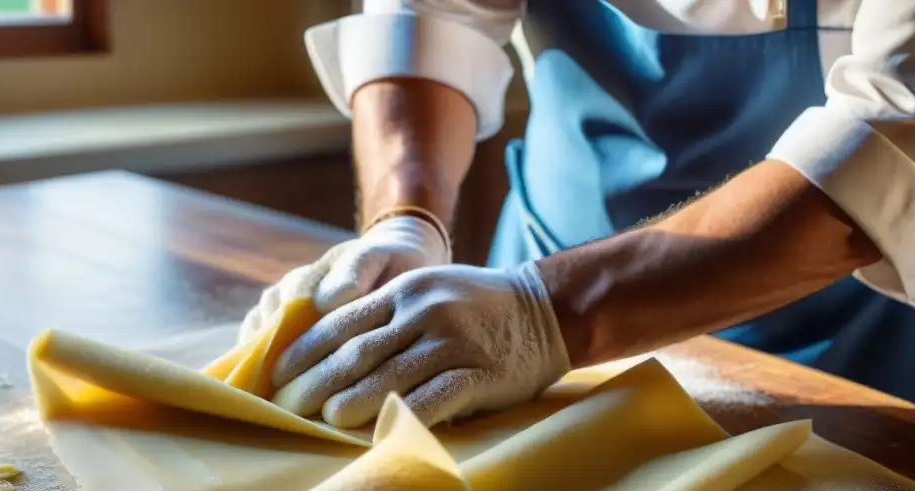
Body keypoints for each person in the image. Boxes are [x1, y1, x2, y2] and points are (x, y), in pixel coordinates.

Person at [241, 0, 915, 429]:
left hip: (846, 353)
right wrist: (405, 221)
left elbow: (882, 148)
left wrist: (539, 318)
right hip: (522, 297)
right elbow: (431, 18)